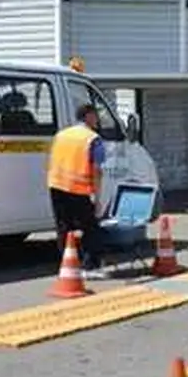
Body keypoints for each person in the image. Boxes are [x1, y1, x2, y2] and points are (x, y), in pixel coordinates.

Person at [47, 103, 109, 278]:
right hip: (78, 188)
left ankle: (68, 265)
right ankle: (91, 266)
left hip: (57, 185)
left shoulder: (62, 134)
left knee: (63, 227)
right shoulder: (92, 139)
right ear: (88, 116)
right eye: (96, 115)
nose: (98, 119)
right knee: (91, 228)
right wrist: (98, 199)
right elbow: (97, 171)